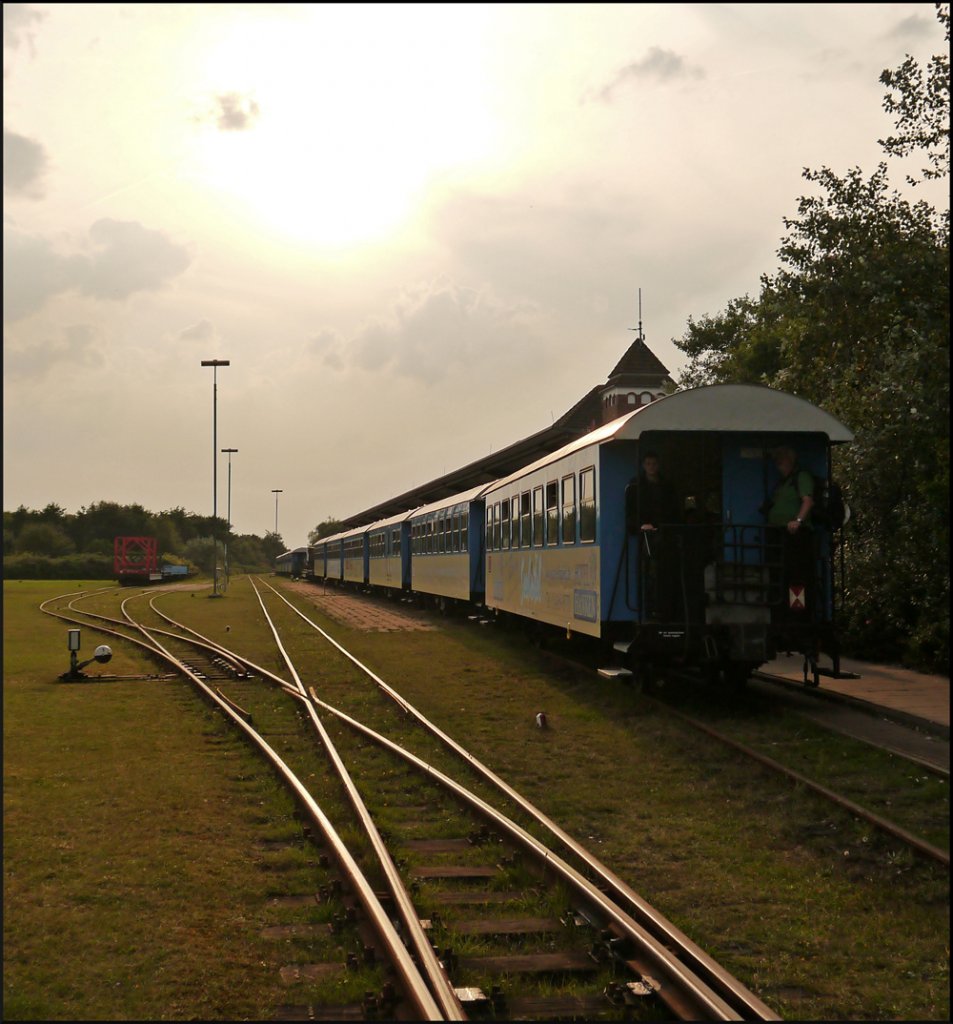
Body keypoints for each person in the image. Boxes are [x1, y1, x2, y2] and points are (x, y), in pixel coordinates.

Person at [627, 452, 680, 621]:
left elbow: (673, 509)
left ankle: (666, 607)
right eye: (648, 463)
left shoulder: (667, 486)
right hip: (646, 533)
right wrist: (640, 525)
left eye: (654, 463)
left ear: (658, 465)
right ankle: (652, 606)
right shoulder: (635, 485)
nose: (651, 467)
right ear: (644, 465)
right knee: (651, 569)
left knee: (667, 570)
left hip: (665, 531)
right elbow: (631, 510)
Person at [765, 446, 815, 616]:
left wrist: (798, 521)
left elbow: (807, 501)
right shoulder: (782, 482)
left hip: (795, 536)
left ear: (790, 460)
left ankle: (797, 613)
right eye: (776, 461)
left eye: (781, 459)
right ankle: (779, 611)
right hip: (778, 536)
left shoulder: (801, 477)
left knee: (795, 575)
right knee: (778, 574)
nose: (778, 464)